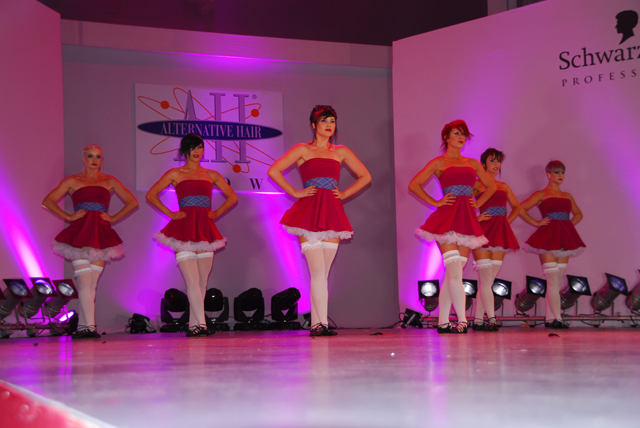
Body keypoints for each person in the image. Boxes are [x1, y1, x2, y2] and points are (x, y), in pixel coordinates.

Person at [267, 105, 371, 337]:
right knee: (317, 271)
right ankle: (319, 325)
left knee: (322, 274)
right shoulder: (303, 149)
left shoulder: (341, 151)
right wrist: (295, 192)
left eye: (332, 121)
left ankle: (318, 323)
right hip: (308, 213)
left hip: (332, 213)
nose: (329, 125)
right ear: (314, 125)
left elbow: (365, 176)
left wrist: (344, 193)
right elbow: (274, 170)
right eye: (324, 120)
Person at [409, 120, 496, 334]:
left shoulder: (472, 163)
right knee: (455, 269)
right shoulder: (439, 163)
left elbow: (491, 186)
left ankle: (443, 321)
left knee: (452, 274)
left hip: (465, 220)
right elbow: (414, 184)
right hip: (446, 219)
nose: (461, 137)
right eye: (456, 133)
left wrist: (478, 203)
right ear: (446, 137)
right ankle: (463, 321)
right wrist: (436, 202)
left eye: (464, 134)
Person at [146, 133, 237, 337]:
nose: (197, 151)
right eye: (193, 147)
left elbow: (232, 196)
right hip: (184, 230)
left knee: (202, 282)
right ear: (184, 150)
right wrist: (170, 213)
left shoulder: (211, 174)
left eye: (200, 147)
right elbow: (151, 194)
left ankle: (193, 325)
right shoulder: (175, 173)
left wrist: (216, 212)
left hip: (204, 230)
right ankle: (201, 325)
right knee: (192, 282)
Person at [43, 144, 138, 339]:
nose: (95, 160)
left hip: (100, 235)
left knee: (91, 284)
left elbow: (132, 202)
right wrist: (68, 216)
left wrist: (113, 218)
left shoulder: (109, 181)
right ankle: (90, 328)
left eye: (98, 157)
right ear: (84, 158)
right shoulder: (73, 181)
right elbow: (48, 201)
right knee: (85, 283)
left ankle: (83, 328)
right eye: (91, 156)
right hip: (80, 234)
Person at [519, 160, 585, 329]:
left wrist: (567, 225)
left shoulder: (567, 196)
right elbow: (521, 208)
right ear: (548, 174)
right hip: (547, 238)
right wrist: (536, 222)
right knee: (552, 279)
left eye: (562, 172)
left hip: (564, 238)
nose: (560, 175)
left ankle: (550, 318)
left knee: (555, 281)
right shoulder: (541, 194)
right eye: (557, 172)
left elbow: (578, 214)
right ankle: (558, 318)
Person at [471, 148, 520, 332]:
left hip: (499, 233)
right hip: (482, 232)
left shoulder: (503, 186)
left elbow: (516, 207)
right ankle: (491, 319)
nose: (496, 164)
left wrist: (506, 221)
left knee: (488, 281)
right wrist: (476, 218)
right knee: (485, 279)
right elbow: (463, 204)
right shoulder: (477, 184)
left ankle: (478, 320)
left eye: (498, 161)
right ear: (483, 163)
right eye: (492, 160)